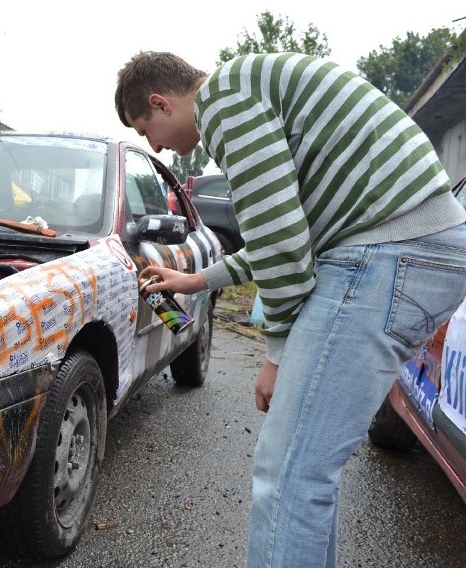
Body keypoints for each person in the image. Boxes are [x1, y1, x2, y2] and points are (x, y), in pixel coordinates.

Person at [115, 51, 466, 567]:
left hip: (388, 253)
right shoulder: (252, 85)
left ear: (160, 103)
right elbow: (285, 235)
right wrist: (197, 279)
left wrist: (276, 354)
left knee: (289, 478)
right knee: (303, 475)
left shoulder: (225, 101)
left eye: (147, 130)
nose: (156, 146)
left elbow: (281, 242)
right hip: (408, 249)